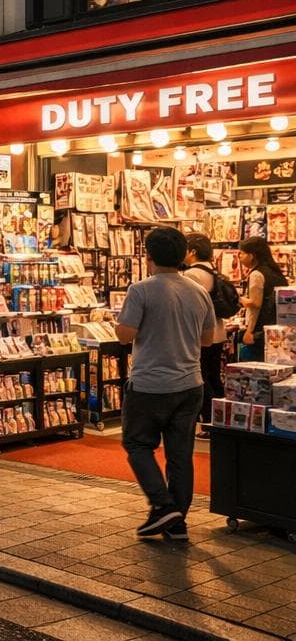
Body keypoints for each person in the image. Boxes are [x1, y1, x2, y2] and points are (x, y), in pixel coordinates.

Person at [117, 227, 217, 541]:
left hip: (149, 384)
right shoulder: (198, 290)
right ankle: (178, 524)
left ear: (148, 256)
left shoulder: (141, 290)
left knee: (137, 445)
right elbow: (208, 339)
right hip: (190, 384)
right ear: (182, 255)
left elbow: (125, 335)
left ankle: (162, 505)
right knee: (180, 455)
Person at [183, 233, 226, 438]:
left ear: (192, 251)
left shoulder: (192, 275)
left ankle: (209, 421)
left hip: (201, 333)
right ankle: (221, 417)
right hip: (217, 331)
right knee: (214, 376)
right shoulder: (212, 269)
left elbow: (191, 308)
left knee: (203, 378)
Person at [237, 237, 287, 361]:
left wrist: (250, 331)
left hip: (259, 330)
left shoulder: (256, 274)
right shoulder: (275, 273)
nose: (239, 256)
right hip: (277, 328)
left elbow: (255, 304)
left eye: (242, 253)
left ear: (252, 255)